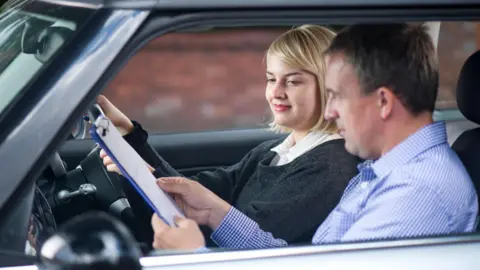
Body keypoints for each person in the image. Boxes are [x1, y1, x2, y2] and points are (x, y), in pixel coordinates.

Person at [147, 23, 479, 251]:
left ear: (382, 102)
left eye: (336, 96)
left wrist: (195, 259)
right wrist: (216, 215)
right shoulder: (386, 172)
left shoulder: (417, 193)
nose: (329, 112)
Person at [99, 25, 361, 248]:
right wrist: (131, 139)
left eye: (293, 82)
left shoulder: (330, 167)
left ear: (330, 87)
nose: (276, 92)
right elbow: (198, 194)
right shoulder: (272, 152)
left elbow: (248, 240)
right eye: (271, 79)